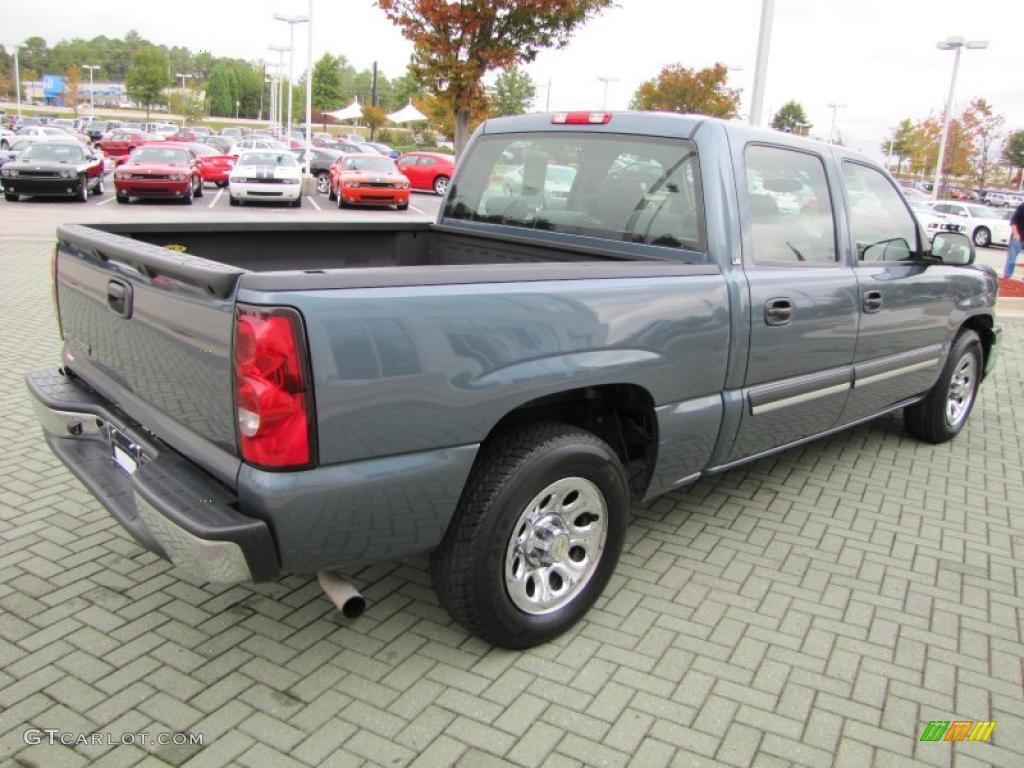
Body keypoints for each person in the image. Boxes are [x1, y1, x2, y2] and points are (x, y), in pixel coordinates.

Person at [1004, 200, 1024, 279]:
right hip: (1018, 237)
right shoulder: (1022, 207)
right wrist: (1016, 234)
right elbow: (1013, 222)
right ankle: (1007, 277)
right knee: (1011, 260)